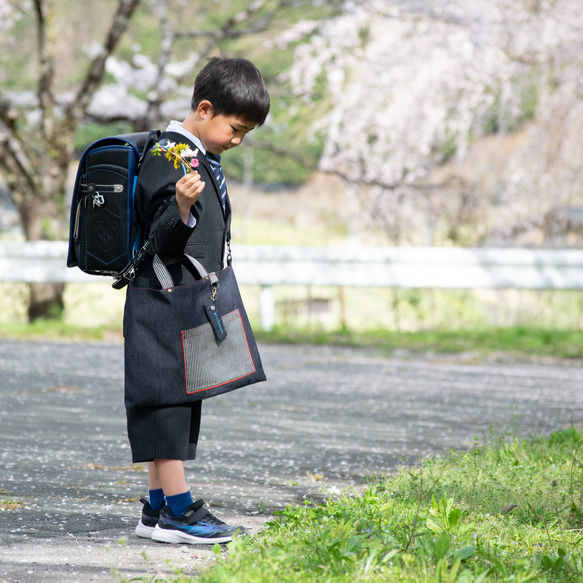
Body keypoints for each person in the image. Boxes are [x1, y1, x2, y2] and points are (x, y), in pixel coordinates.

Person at [125, 56, 270, 545]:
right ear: (204, 110)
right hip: (162, 294)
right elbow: (160, 239)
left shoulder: (197, 155)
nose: (238, 140)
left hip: (179, 293)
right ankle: (180, 513)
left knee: (178, 399)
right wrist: (182, 208)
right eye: (235, 128)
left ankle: (156, 507)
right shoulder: (168, 155)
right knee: (165, 402)